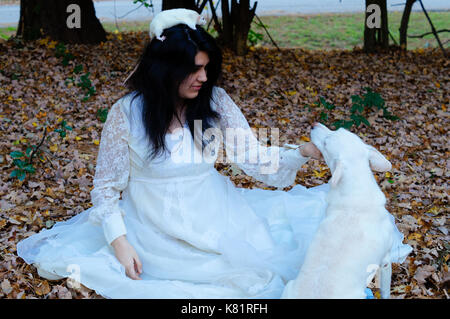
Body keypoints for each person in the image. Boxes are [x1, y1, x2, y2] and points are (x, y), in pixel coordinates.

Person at [16, 15, 411, 299]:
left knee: (259, 270)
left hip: (215, 212)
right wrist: (120, 244)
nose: (203, 78)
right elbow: (105, 189)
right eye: (193, 70)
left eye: (207, 68)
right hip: (153, 227)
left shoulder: (214, 102)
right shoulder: (128, 113)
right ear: (164, 69)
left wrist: (302, 152)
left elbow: (252, 158)